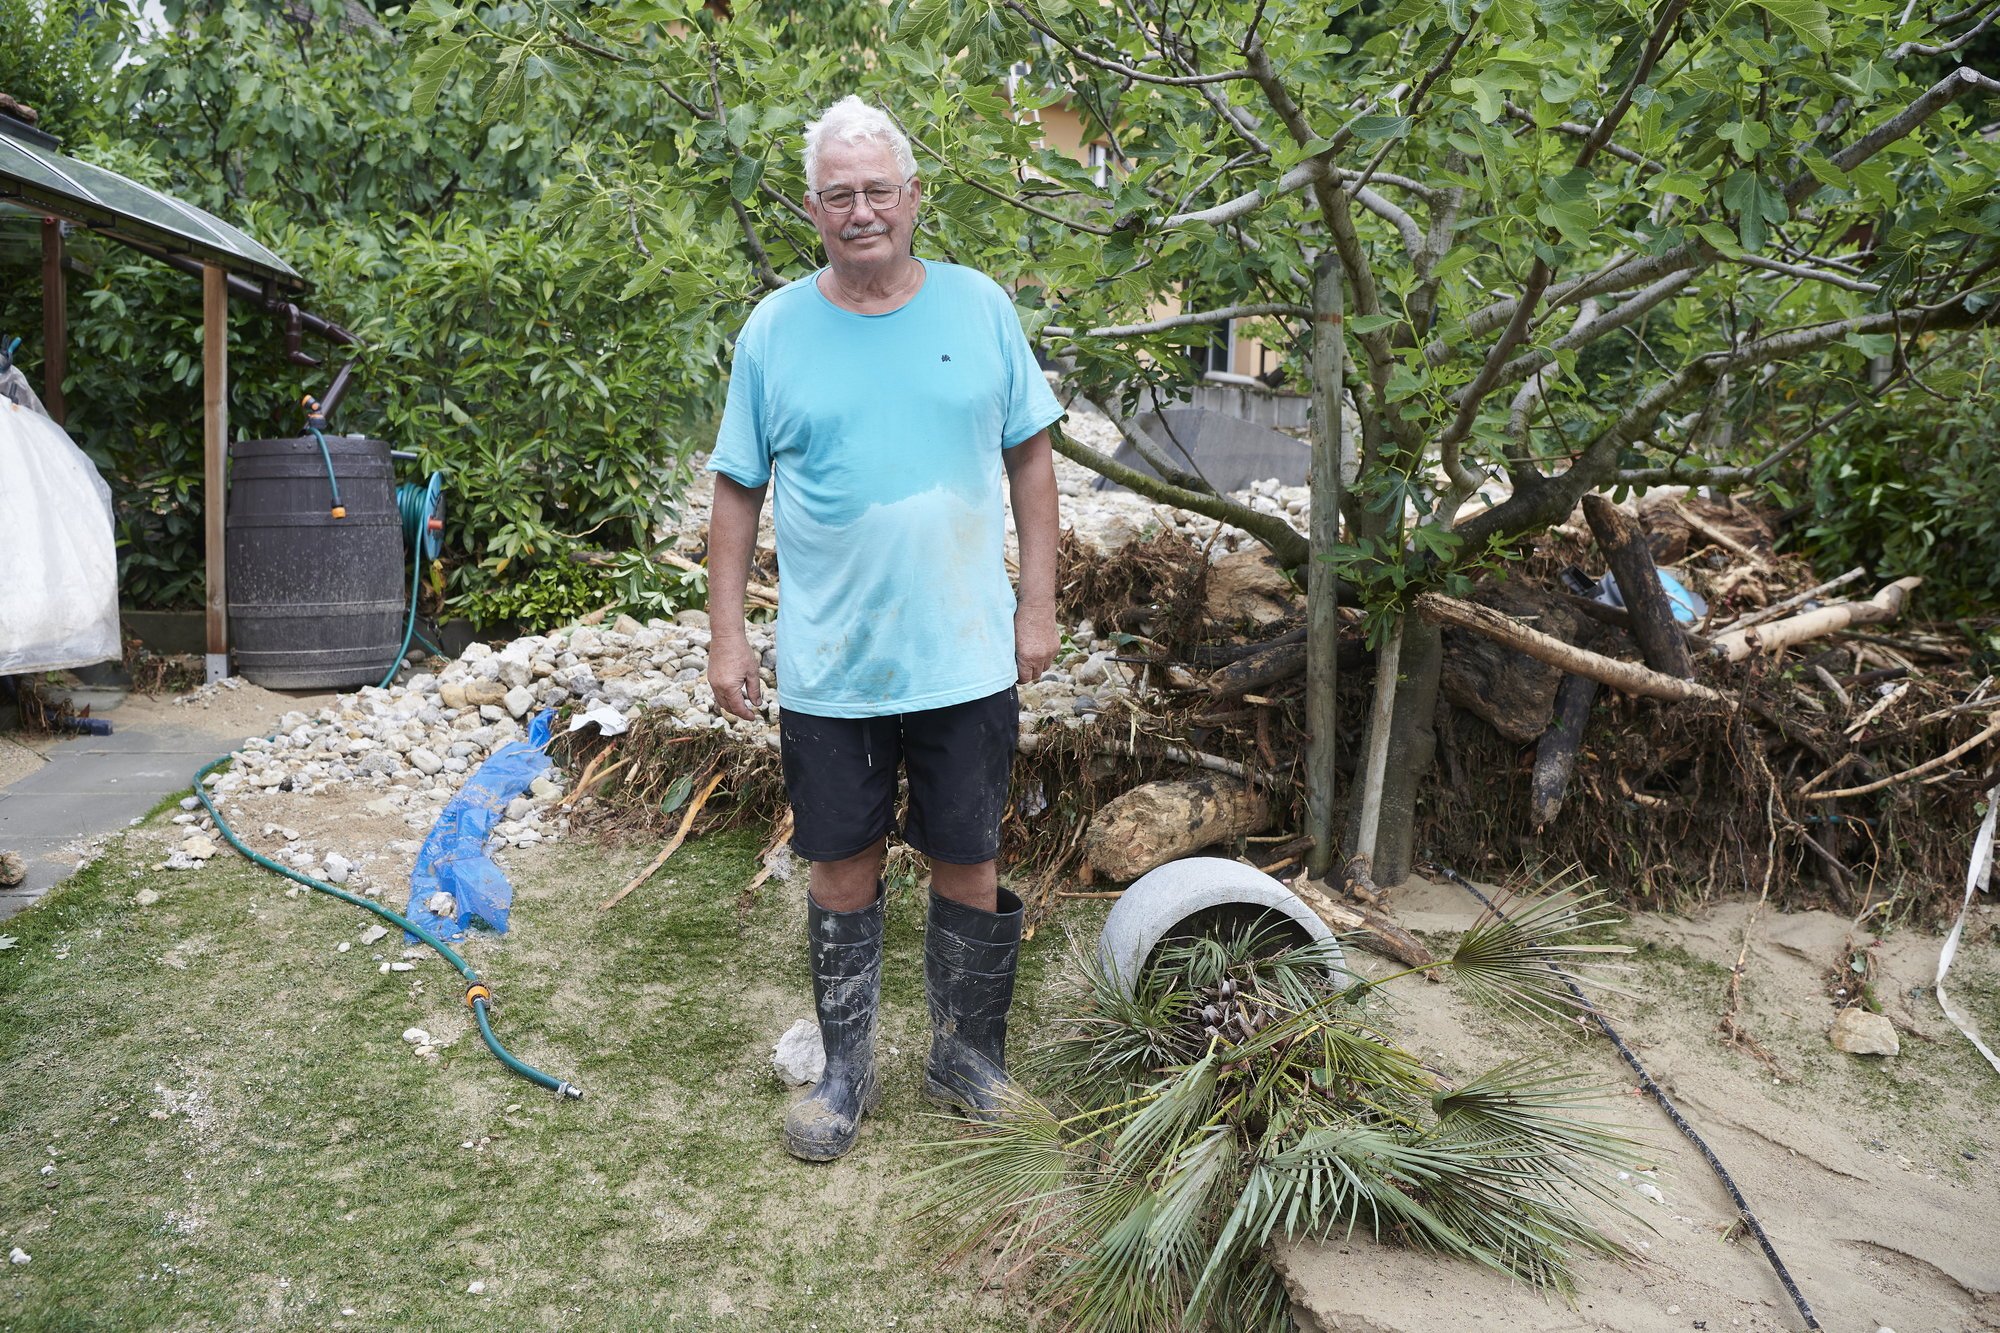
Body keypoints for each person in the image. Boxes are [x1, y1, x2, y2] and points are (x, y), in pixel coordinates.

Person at [705, 96, 1064, 1162]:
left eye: (877, 190)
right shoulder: (773, 328)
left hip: (963, 648)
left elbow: (1031, 461)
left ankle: (967, 1057)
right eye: (837, 194)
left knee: (968, 854)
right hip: (831, 664)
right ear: (811, 209)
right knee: (840, 865)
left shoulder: (977, 306)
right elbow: (734, 490)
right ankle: (844, 1074)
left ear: (912, 199)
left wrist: (1036, 604)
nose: (860, 210)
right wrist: (727, 636)